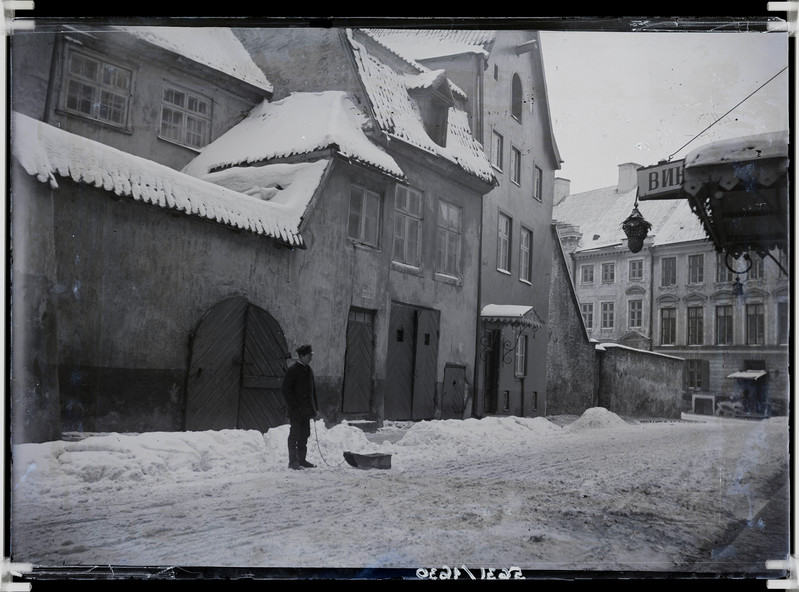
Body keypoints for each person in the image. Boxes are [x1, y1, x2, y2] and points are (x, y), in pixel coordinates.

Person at [281, 344, 318, 470]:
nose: (311, 358)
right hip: (296, 411)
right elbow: (286, 390)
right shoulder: (292, 370)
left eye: (311, 356)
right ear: (301, 356)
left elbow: (312, 391)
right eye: (309, 356)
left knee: (305, 434)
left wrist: (314, 408)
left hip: (306, 411)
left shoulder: (309, 370)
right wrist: (295, 407)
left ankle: (302, 460)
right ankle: (293, 462)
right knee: (294, 435)